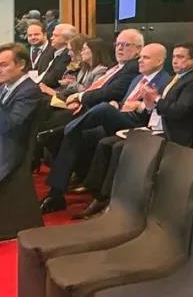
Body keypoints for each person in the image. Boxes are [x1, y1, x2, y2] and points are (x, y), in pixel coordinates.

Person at [75, 42, 193, 219]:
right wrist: (148, 103)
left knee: (119, 148)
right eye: (174, 57)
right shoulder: (175, 78)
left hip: (173, 134)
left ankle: (112, 202)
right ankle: (97, 194)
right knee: (106, 143)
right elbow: (157, 109)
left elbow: (179, 112)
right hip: (154, 127)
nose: (175, 61)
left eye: (181, 57)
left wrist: (156, 99)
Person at [41, 43, 170, 213]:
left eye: (146, 57)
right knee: (71, 135)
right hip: (121, 119)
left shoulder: (164, 80)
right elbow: (122, 100)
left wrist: (140, 106)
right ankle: (56, 193)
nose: (140, 61)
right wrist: (117, 103)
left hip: (139, 125)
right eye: (141, 57)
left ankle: (71, 128)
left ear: (159, 61)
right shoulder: (138, 78)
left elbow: (158, 112)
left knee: (102, 109)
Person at [0, 43, 45, 185]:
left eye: (3, 65)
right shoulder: (5, 87)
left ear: (21, 65)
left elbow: (12, 125)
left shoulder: (29, 91)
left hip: (11, 148)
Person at [37, 23, 76, 89]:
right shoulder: (50, 51)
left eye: (56, 35)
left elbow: (53, 80)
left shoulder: (68, 55)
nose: (51, 38)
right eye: (52, 35)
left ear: (67, 39)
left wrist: (35, 86)